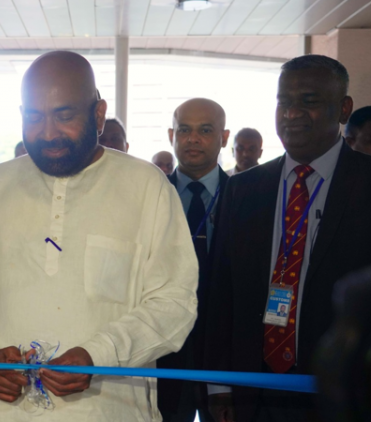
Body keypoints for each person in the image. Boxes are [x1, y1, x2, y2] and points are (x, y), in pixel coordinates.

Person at [0, 50, 198, 422]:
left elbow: (174, 301)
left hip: (108, 410)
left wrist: (100, 355)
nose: (48, 133)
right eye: (34, 117)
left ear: (98, 114)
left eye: (64, 115)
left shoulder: (147, 187)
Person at [205, 55, 371, 422]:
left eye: (309, 101)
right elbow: (222, 290)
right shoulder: (243, 189)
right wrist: (219, 384)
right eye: (284, 101)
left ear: (343, 109)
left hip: (345, 391)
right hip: (253, 388)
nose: (292, 113)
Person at [158, 98, 230, 422]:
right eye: (184, 130)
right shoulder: (154, 194)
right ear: (171, 135)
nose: (193, 139)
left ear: (224, 138)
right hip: (164, 351)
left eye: (205, 130)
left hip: (224, 351)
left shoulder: (245, 195)